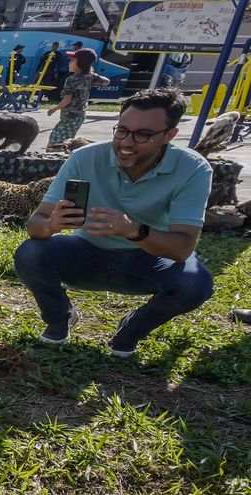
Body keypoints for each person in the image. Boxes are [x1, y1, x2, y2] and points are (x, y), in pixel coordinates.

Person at [15, 88, 213, 359]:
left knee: (196, 284)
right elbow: (35, 224)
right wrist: (51, 224)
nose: (126, 143)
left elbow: (182, 249)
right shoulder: (85, 158)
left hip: (149, 260)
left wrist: (133, 230)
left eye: (142, 135)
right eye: (122, 130)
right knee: (30, 253)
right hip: (86, 253)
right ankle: (60, 318)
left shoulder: (193, 169)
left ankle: (130, 330)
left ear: (169, 135)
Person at [46, 48, 109, 150]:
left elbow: (67, 100)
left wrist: (53, 109)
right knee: (65, 139)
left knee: (56, 142)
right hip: (79, 116)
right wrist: (92, 78)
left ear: (81, 63)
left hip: (70, 116)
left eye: (72, 60)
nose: (69, 63)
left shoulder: (71, 80)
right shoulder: (90, 76)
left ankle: (54, 161)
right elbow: (106, 81)